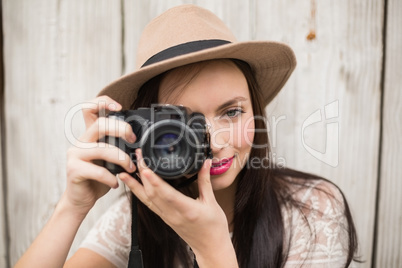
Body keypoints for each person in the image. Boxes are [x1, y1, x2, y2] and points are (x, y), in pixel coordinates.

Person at [15, 4, 359, 268]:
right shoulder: (138, 216)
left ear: (256, 110)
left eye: (231, 111)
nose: (216, 141)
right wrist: (72, 208)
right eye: (185, 122)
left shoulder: (312, 212)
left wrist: (213, 250)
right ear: (146, 130)